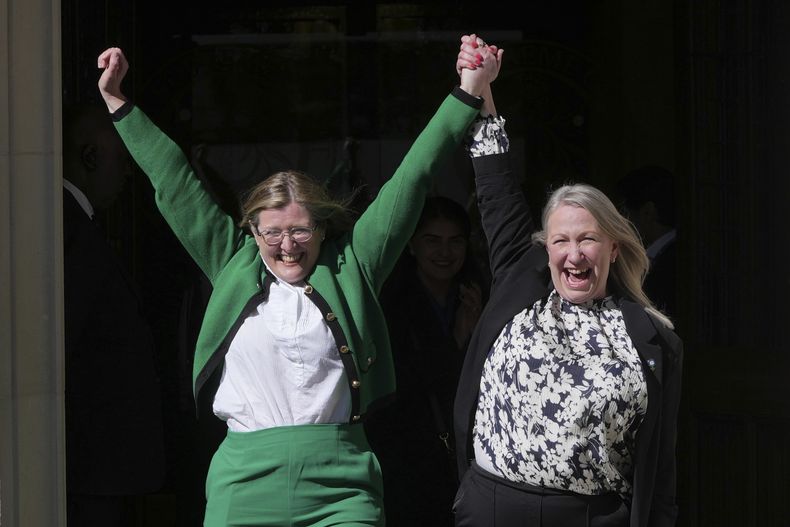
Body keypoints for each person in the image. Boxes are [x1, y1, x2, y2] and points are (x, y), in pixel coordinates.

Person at [96, 39, 500, 527]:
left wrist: (467, 93)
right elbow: (174, 180)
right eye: (273, 232)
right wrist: (118, 103)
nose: (287, 245)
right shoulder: (231, 262)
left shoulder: (354, 264)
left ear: (323, 228)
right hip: (244, 482)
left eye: (300, 230)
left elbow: (411, 180)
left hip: (342, 486)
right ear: (253, 232)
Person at [451, 35, 683, 527]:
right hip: (492, 506)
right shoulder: (522, 276)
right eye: (560, 241)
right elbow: (495, 185)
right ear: (545, 248)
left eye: (589, 240)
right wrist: (480, 88)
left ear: (614, 247)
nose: (573, 255)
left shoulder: (653, 337)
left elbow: (661, 467)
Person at [62, 103, 166, 526]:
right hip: (90, 465)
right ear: (90, 156)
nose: (128, 175)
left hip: (100, 465)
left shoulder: (76, 224)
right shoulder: (66, 229)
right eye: (123, 160)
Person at [365, 195, 487, 526]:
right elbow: (401, 387)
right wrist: (458, 343)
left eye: (455, 241)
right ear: (411, 246)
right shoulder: (390, 305)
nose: (445, 253)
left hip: (470, 459)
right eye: (432, 241)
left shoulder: (481, 296)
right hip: (410, 461)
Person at [615, 166, 678, 318]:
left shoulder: (671, 263)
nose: (621, 221)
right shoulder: (668, 255)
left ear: (647, 211)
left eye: (624, 211)